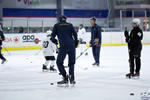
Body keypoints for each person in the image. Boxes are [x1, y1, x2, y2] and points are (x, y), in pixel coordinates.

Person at [51, 15, 78, 85]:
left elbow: (52, 36)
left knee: (59, 62)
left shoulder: (56, 25)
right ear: (65, 19)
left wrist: (54, 40)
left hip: (63, 46)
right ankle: (72, 78)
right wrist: (76, 43)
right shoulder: (70, 25)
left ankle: (65, 77)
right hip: (72, 46)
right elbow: (75, 35)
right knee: (71, 63)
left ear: (59, 20)